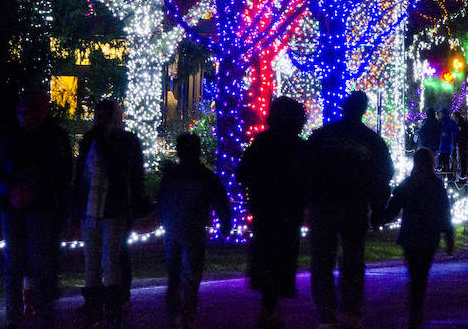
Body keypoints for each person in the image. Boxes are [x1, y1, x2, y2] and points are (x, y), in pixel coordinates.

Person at [307, 91, 394, 328]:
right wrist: (377, 209)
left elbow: (306, 167)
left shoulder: (324, 135)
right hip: (353, 205)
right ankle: (351, 308)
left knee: (324, 258)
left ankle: (327, 311)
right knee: (353, 258)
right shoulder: (371, 140)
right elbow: (383, 176)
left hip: (325, 205)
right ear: (363, 110)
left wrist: (310, 197)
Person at [0, 93, 72, 329]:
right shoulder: (12, 138)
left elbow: (60, 173)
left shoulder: (53, 138)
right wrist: (11, 191)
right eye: (22, 113)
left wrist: (33, 191)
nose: (25, 117)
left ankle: (44, 315)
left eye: (30, 113)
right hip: (15, 206)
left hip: (41, 208)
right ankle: (14, 318)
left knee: (40, 264)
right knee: (14, 265)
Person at [71, 99, 147, 328]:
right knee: (92, 260)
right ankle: (95, 307)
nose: (99, 120)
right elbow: (81, 174)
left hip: (113, 208)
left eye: (104, 115)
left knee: (109, 259)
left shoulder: (124, 141)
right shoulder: (89, 140)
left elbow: (127, 173)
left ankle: (112, 306)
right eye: (98, 115)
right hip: (91, 207)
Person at [236, 97, 308, 327]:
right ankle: (272, 300)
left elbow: (243, 173)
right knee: (283, 254)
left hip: (265, 209)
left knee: (268, 253)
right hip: (288, 210)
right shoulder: (299, 147)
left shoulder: (262, 141)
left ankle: (269, 302)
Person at [159, 133, 231, 329]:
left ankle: (175, 313)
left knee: (174, 273)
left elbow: (162, 199)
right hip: (193, 229)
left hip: (173, 228)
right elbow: (220, 200)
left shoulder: (171, 175)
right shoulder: (205, 175)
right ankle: (186, 316)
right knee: (191, 274)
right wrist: (225, 222)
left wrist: (161, 219)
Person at [383, 148, 454, 328]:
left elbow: (393, 207)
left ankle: (414, 308)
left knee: (414, 273)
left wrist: (379, 219)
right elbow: (444, 213)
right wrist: (448, 237)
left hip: (410, 236)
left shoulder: (408, 184)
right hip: (429, 237)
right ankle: (416, 308)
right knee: (421, 275)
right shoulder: (436, 186)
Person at [453, 111, 468, 180]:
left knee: (462, 160)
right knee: (462, 160)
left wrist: (457, 141)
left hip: (462, 145)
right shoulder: (463, 123)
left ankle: (462, 176)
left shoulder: (461, 125)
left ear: (457, 117)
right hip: (463, 144)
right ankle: (462, 176)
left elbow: (462, 135)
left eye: (454, 117)